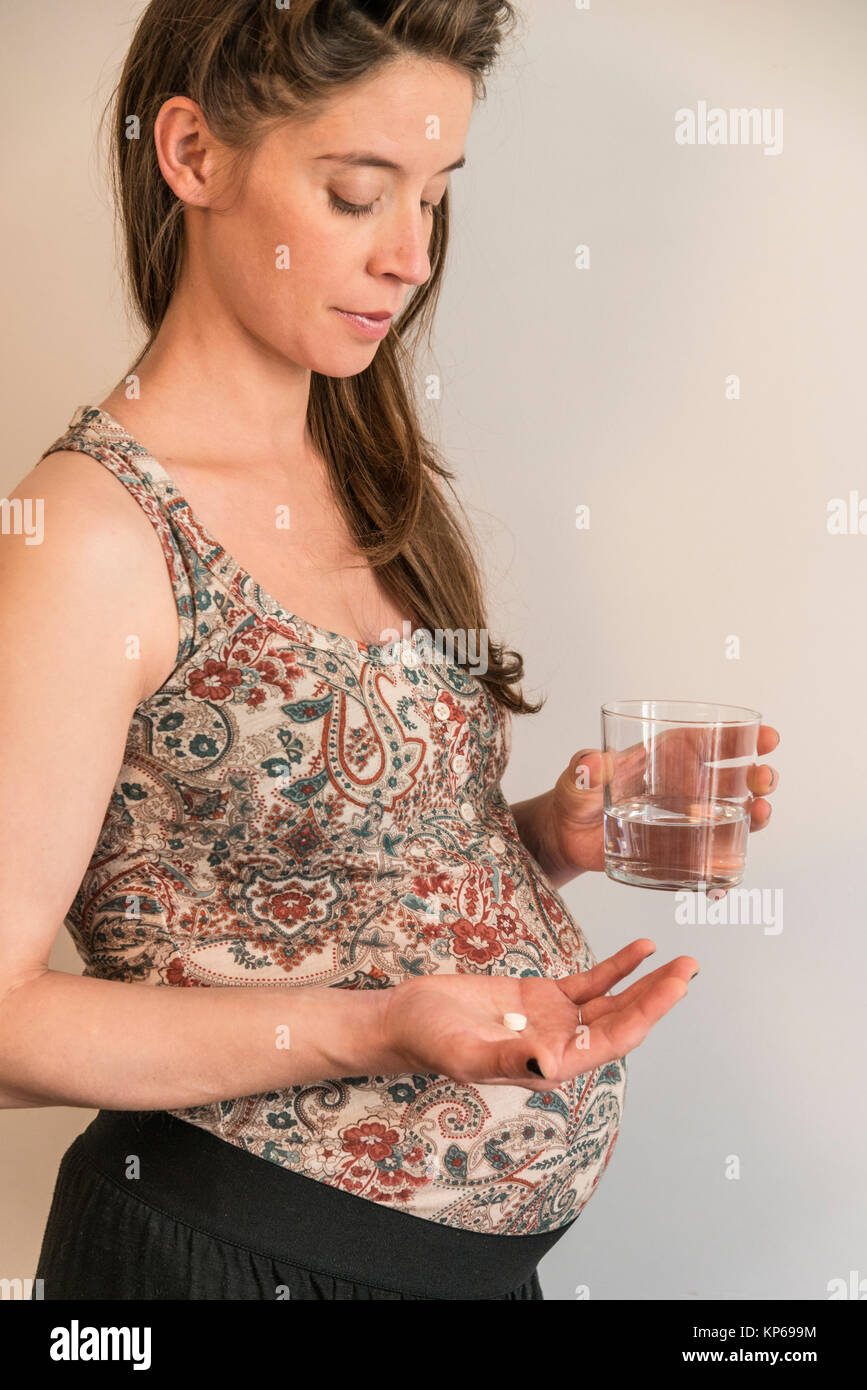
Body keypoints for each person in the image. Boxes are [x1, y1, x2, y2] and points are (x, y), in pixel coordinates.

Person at [2, 0, 776, 1301]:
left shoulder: (367, 472)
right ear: (191, 155)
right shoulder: (90, 532)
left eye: (435, 197)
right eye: (360, 194)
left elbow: (325, 876)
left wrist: (543, 838)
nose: (412, 256)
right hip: (228, 1262)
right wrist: (378, 1029)